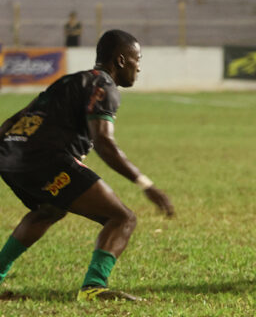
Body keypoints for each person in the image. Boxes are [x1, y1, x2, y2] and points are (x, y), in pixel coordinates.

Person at [0, 29, 174, 301]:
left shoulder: (70, 81)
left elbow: (12, 122)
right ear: (120, 60)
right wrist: (146, 184)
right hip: (45, 159)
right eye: (136, 59)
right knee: (122, 218)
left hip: (10, 157)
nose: (138, 67)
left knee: (49, 209)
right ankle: (93, 287)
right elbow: (103, 142)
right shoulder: (104, 87)